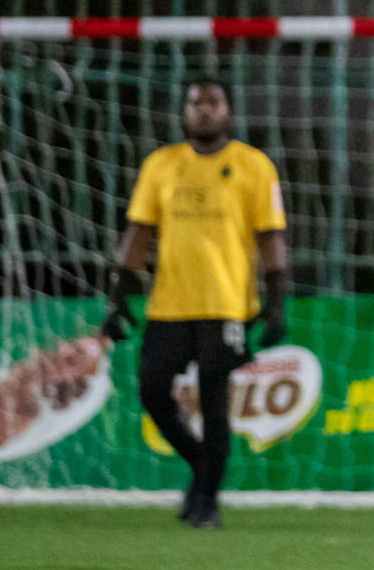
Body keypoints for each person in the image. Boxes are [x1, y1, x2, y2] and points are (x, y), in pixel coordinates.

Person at [101, 77, 289, 529]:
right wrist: (119, 298)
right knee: (150, 387)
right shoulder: (161, 166)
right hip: (168, 305)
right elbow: (138, 235)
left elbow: (271, 237)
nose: (204, 109)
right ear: (183, 111)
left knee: (214, 396)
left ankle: (206, 500)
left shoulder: (253, 166)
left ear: (228, 109)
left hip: (227, 306)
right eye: (195, 102)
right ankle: (203, 466)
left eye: (214, 101)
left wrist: (278, 299)